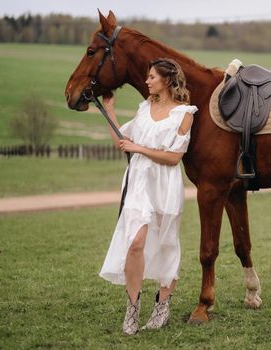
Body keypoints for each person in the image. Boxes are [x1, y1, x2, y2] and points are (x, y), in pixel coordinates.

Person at [98, 57, 198, 335]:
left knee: (166, 243)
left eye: (152, 76)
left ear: (166, 80)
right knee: (135, 243)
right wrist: (109, 111)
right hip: (138, 181)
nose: (147, 81)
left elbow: (174, 157)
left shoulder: (184, 113)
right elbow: (122, 140)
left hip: (165, 184)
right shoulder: (144, 108)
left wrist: (138, 148)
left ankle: (162, 307)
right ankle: (132, 310)